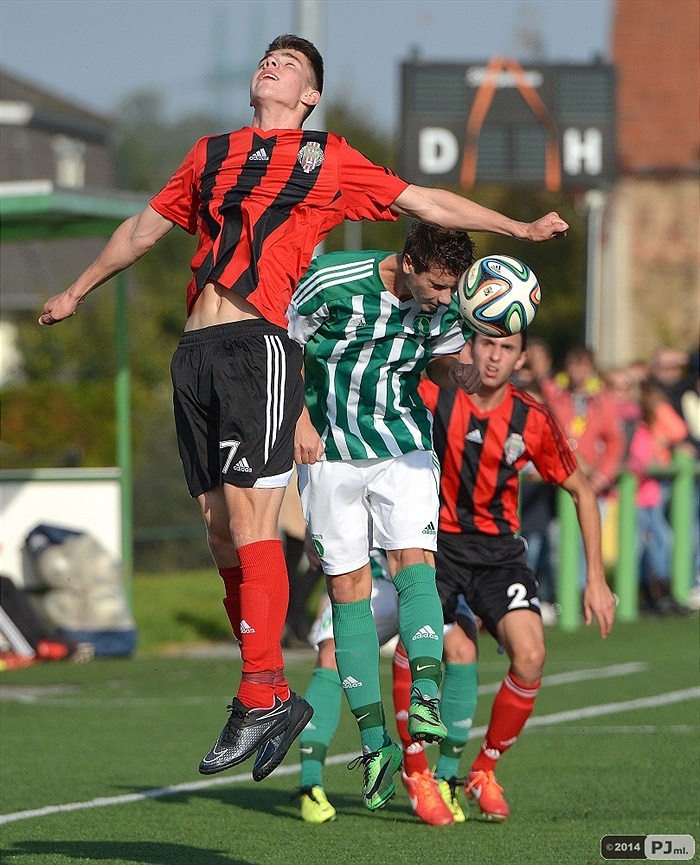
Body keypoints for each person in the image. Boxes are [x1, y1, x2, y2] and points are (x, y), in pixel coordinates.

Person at [38, 34, 568, 783]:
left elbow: (425, 201)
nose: (272, 65)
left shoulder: (327, 158)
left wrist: (515, 229)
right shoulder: (210, 154)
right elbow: (142, 229)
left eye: (289, 65)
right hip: (195, 353)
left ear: (309, 97)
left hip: (258, 344)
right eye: (269, 58)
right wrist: (77, 289)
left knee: (252, 519)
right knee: (218, 527)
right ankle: (268, 693)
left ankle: (261, 694)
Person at [289, 222, 482, 813]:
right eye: (438, 287)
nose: (444, 299)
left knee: (414, 565)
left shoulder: (450, 305)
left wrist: (459, 372)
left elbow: (440, 363)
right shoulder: (330, 281)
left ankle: (424, 695)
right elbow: (282, 350)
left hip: (403, 446)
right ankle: (375, 743)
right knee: (347, 592)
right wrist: (298, 419)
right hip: (329, 451)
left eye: (452, 290)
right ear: (409, 263)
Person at [415, 332, 616, 822]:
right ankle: (416, 771)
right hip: (434, 544)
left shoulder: (532, 418)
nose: (494, 356)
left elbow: (582, 491)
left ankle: (483, 770)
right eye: (487, 343)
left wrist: (596, 579)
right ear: (470, 346)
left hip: (498, 554)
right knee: (431, 648)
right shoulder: (438, 394)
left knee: (531, 655)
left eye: (507, 349)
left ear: (521, 359)